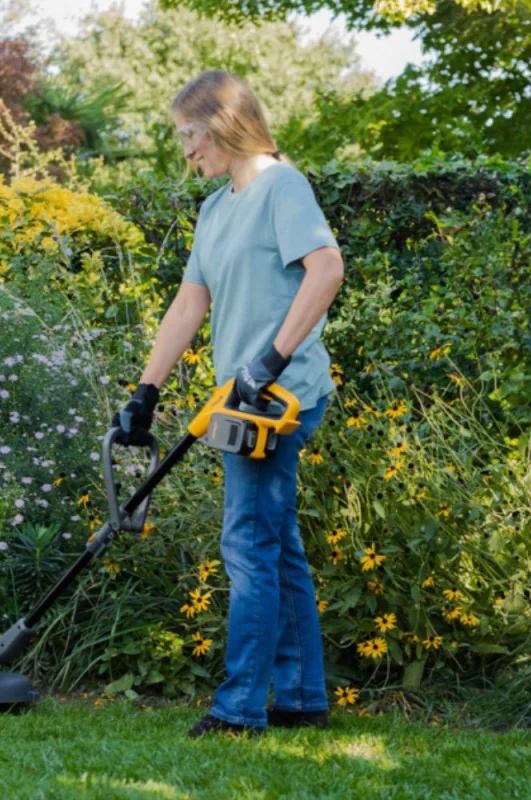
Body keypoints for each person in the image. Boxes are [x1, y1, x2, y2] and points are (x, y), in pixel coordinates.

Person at [112, 70, 345, 738]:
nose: (185, 151)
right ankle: (301, 697)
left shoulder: (281, 185)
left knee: (247, 544)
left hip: (278, 400)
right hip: (238, 398)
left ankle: (239, 708)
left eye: (189, 135)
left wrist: (268, 362)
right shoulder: (217, 207)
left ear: (220, 124)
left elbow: (326, 269)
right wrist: (145, 393)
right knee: (276, 547)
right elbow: (192, 302)